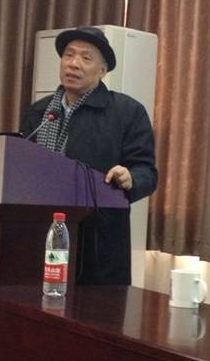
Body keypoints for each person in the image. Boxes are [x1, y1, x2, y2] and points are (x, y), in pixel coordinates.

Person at [21, 26, 157, 285]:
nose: (73, 64)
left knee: (95, 306)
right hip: (40, 231)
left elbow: (147, 173)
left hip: (98, 240)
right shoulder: (40, 113)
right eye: (68, 55)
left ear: (103, 70)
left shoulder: (127, 112)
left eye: (86, 58)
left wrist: (131, 177)